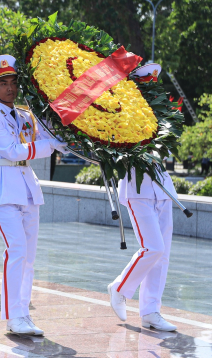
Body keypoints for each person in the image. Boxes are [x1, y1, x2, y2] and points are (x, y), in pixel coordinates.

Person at [0, 55, 66, 336]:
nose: (10, 88)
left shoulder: (27, 115)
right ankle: (12, 316)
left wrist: (68, 137)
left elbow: (50, 138)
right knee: (15, 250)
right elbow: (13, 151)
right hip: (4, 187)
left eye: (13, 82)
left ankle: (23, 312)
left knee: (28, 255)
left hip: (28, 187)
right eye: (3, 83)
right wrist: (49, 145)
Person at [107, 64, 177, 332]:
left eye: (153, 85)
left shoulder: (161, 116)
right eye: (145, 86)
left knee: (163, 255)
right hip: (138, 188)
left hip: (162, 186)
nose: (152, 90)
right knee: (153, 248)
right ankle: (120, 288)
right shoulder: (121, 114)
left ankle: (151, 311)